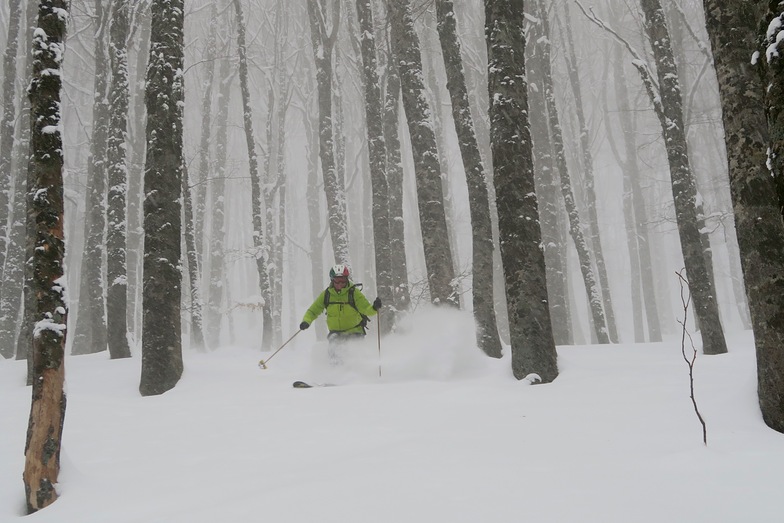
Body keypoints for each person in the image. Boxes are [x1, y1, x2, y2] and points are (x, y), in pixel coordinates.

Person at [299, 264, 381, 343]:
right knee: (334, 352)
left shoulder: (353, 293)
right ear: (332, 280)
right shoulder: (327, 294)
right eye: (337, 281)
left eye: (343, 280)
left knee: (353, 353)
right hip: (335, 334)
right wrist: (306, 321)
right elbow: (313, 311)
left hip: (355, 332)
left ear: (347, 279)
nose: (340, 284)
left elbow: (366, 309)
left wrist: (374, 307)